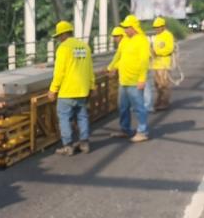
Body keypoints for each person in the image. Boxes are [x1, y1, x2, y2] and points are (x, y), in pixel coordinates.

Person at [47, 21, 96, 156]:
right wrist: (92, 85)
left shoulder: (63, 48)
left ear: (63, 35)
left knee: (64, 118)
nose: (58, 39)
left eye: (58, 36)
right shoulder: (84, 47)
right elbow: (89, 68)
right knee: (82, 116)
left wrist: (53, 89)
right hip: (82, 90)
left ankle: (68, 146)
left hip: (67, 91)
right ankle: (84, 143)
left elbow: (59, 72)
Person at [108, 15, 150, 143]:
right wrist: (111, 66)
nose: (125, 30)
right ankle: (125, 129)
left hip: (135, 81)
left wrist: (142, 79)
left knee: (139, 107)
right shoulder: (125, 40)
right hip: (124, 80)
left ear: (133, 27)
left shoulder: (142, 40)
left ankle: (142, 132)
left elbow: (144, 61)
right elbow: (118, 55)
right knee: (123, 107)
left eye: (126, 27)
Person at [150, 17, 175, 111]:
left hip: (164, 63)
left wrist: (158, 52)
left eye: (158, 27)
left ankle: (165, 102)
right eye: (155, 27)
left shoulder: (168, 35)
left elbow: (169, 48)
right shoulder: (157, 36)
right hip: (156, 63)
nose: (156, 29)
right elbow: (153, 48)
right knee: (157, 84)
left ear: (163, 26)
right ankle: (159, 100)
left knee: (163, 84)